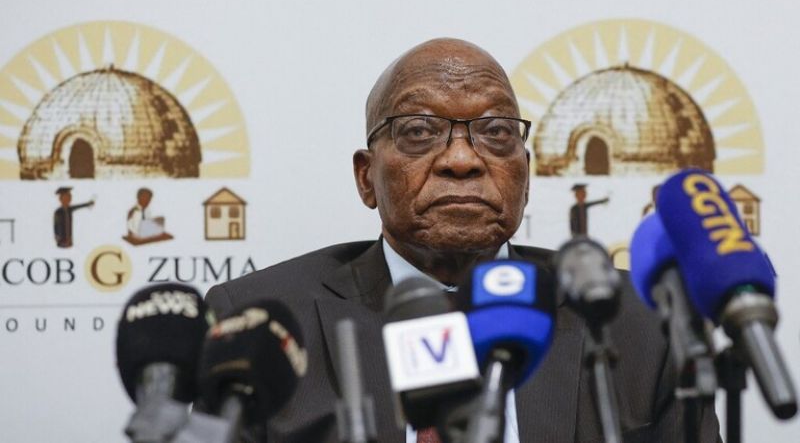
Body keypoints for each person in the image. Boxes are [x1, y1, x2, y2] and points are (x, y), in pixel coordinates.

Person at [205, 38, 719, 442]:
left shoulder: (638, 322)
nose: (462, 159)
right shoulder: (258, 324)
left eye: (495, 131)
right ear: (366, 178)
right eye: (418, 131)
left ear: (526, 175)